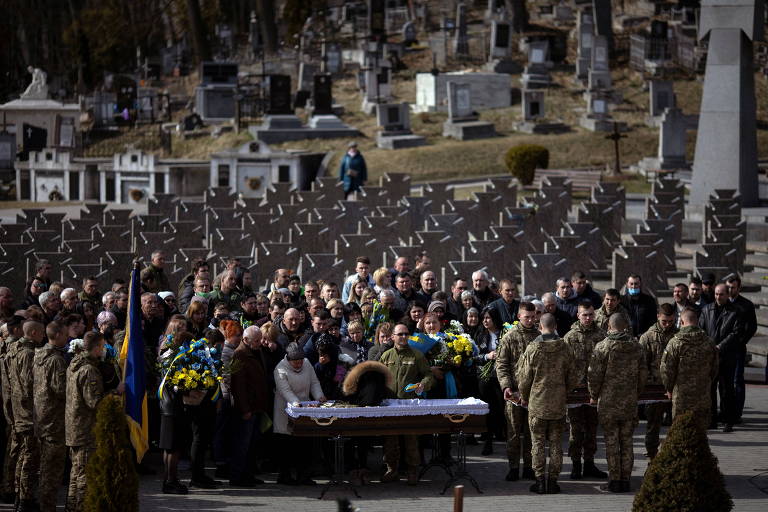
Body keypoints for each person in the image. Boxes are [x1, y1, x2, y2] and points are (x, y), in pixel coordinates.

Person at [516, 313, 577, 494]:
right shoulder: (565, 347)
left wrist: (525, 396)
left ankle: (540, 481)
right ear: (556, 325)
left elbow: (524, 378)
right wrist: (564, 390)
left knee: (538, 443)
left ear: (539, 326)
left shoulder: (533, 348)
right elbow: (573, 376)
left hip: (538, 403)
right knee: (556, 444)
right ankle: (553, 481)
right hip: (558, 403)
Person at [587, 313, 647, 493]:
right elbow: (643, 374)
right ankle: (626, 480)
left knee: (611, 442)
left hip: (608, 403)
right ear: (625, 327)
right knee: (627, 442)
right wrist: (636, 392)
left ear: (608, 327)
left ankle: (614, 481)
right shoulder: (636, 347)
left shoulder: (603, 347)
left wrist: (594, 395)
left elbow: (593, 375)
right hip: (629, 402)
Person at [379, 323, 434, 485]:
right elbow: (378, 378)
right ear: (393, 337)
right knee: (390, 439)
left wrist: (423, 384)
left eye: (406, 334)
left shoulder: (417, 355)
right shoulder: (386, 356)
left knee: (411, 439)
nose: (403, 337)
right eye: (400, 334)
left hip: (409, 404)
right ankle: (392, 470)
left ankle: (412, 471)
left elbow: (428, 375)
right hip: (390, 404)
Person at [562, 301, 607, 479]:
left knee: (592, 429)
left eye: (590, 314)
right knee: (576, 430)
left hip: (594, 390)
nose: (587, 318)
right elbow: (563, 364)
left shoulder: (601, 335)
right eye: (584, 315)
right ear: (578, 316)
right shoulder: (570, 337)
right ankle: (575, 465)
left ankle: (589, 464)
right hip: (575, 392)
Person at [496, 302, 539, 481]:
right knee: (513, 432)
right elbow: (501, 364)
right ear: (519, 317)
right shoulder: (509, 337)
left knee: (532, 432)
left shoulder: (539, 337)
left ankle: (529, 466)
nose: (529, 320)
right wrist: (506, 386)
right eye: (526, 317)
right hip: (513, 393)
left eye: (532, 317)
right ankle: (513, 467)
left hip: (535, 394)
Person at [273, 343, 325, 485]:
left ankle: (304, 475)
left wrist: (319, 396)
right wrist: (297, 404)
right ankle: (285, 475)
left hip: (304, 409)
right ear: (288, 360)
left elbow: (314, 383)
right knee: (286, 445)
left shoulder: (307, 364)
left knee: (304, 444)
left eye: (300, 361)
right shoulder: (280, 369)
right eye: (295, 362)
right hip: (285, 409)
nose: (298, 364)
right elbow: (285, 391)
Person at [661, 309, 719, 433]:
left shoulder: (675, 343)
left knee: (680, 432)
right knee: (700, 433)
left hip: (681, 396)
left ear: (681, 322)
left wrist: (669, 388)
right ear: (697, 322)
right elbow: (714, 368)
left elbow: (667, 369)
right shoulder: (709, 342)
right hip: (703, 394)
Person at [65, 331, 105, 510]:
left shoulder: (73, 364)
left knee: (76, 473)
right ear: (96, 347)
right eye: (102, 347)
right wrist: (116, 393)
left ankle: (72, 507)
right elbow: (94, 402)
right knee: (85, 477)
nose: (103, 350)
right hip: (85, 430)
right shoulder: (88, 369)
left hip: (74, 427)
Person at [8, 321, 44, 511]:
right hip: (29, 411)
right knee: (30, 457)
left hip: (18, 408)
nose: (43, 336)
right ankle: (25, 499)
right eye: (41, 332)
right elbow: (30, 383)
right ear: (34, 332)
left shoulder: (14, 348)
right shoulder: (29, 354)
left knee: (24, 454)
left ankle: (19, 495)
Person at [33, 321, 68, 512]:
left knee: (46, 466)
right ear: (57, 335)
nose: (67, 337)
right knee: (52, 470)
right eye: (64, 334)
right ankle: (47, 507)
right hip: (54, 420)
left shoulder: (39, 354)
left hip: (42, 417)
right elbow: (60, 389)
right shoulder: (55, 359)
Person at [699, 283, 743, 432]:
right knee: (710, 388)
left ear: (727, 294)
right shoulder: (706, 309)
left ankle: (727, 420)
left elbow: (736, 333)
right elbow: (701, 329)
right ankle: (711, 420)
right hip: (710, 356)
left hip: (727, 356)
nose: (718, 297)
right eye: (716, 294)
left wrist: (720, 346)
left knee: (726, 389)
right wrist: (709, 346)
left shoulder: (735, 311)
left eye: (721, 294)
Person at [229, 326, 269, 487]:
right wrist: (245, 409)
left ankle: (248, 474)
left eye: (260, 339)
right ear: (246, 340)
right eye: (257, 341)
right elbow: (238, 386)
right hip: (247, 409)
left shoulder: (255, 352)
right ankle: (238, 477)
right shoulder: (240, 355)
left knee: (252, 445)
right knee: (242, 445)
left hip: (257, 406)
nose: (260, 343)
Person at [638, 303, 677, 459]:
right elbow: (641, 364)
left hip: (674, 388)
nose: (667, 325)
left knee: (676, 425)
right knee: (653, 426)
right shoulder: (648, 337)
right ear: (658, 317)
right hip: (654, 388)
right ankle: (652, 456)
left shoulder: (678, 335)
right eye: (664, 321)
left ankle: (672, 457)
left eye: (670, 322)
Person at [725, 275, 757, 423]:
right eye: (728, 287)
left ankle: (737, 413)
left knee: (737, 379)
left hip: (737, 348)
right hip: (723, 348)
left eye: (733, 287)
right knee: (724, 381)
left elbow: (752, 327)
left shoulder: (746, 305)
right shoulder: (722, 303)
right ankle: (726, 411)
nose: (730, 290)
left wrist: (741, 341)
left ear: (739, 288)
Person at [474, 306, 505, 455]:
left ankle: (501, 433)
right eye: (483, 318)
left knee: (500, 407)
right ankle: (488, 440)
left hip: (500, 377)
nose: (485, 321)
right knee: (487, 407)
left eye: (488, 318)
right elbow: (474, 357)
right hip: (485, 377)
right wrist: (487, 356)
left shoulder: (504, 333)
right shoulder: (480, 335)